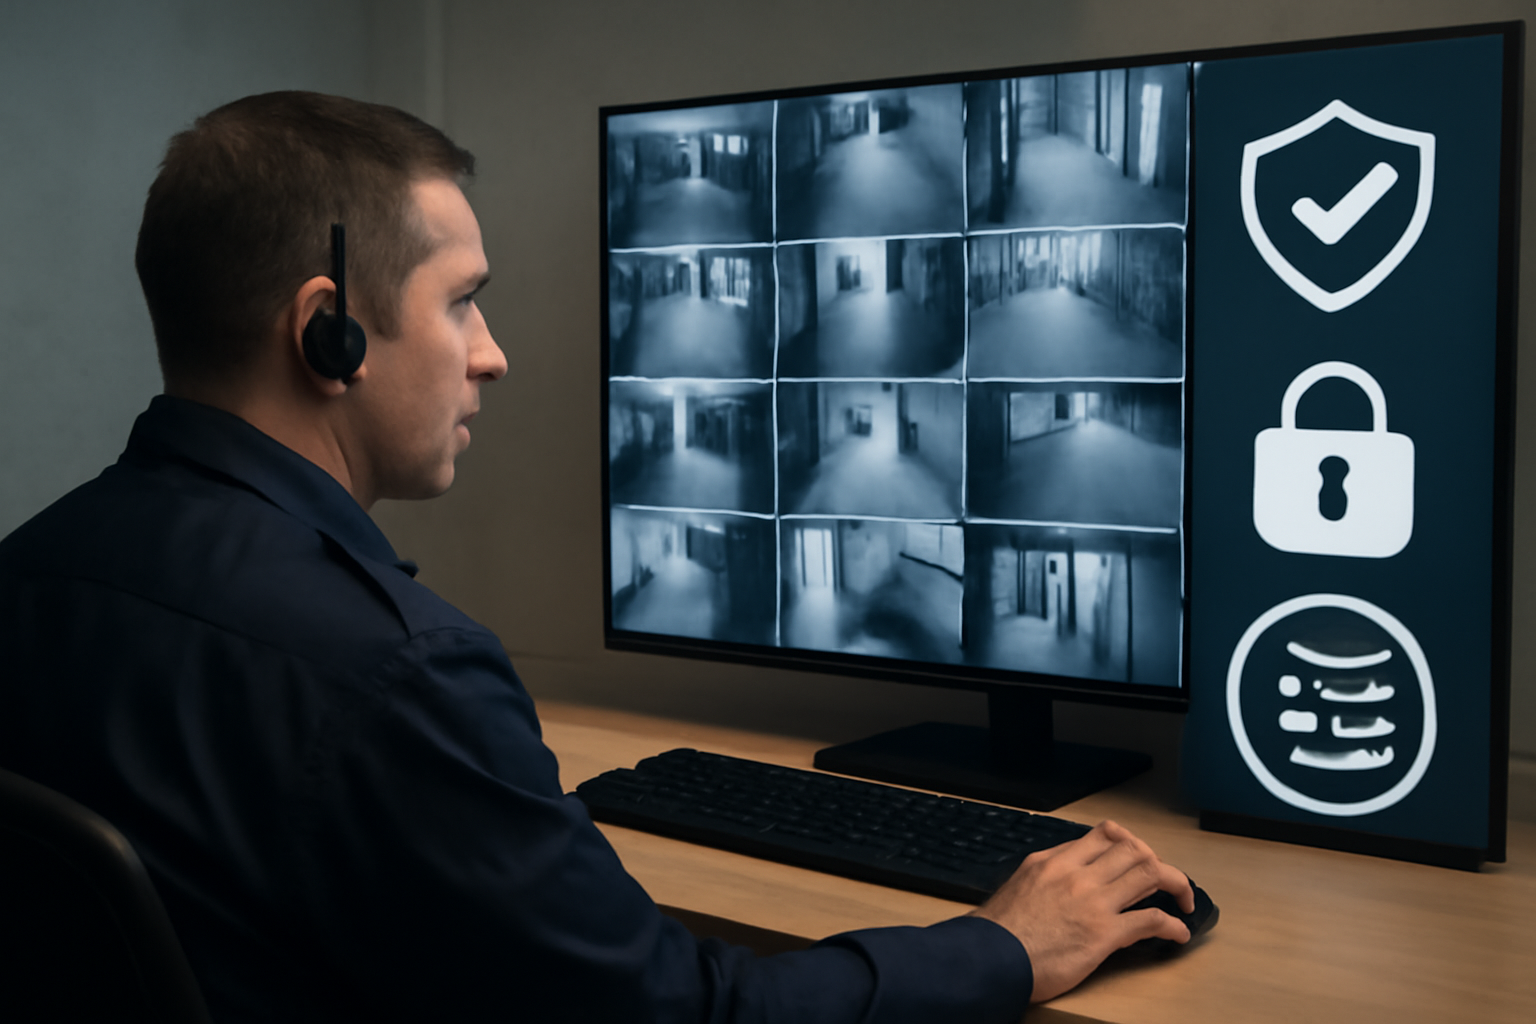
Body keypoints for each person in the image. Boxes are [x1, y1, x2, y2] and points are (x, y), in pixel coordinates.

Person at [0, 92, 1193, 1023]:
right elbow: (674, 1013)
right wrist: (1005, 945)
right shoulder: (395, 674)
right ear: (331, 330)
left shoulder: (29, 570)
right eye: (463, 302)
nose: (494, 354)